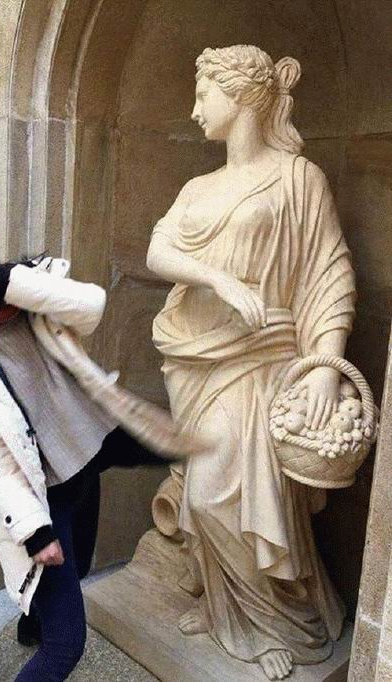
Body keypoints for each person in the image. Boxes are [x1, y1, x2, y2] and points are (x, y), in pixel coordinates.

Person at [0, 248, 205, 682]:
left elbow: (91, 305)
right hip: (48, 497)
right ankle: (39, 624)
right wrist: (36, 534)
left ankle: (31, 624)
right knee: (66, 645)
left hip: (90, 457)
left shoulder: (38, 296)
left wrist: (4, 277)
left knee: (80, 566)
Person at [146, 45, 356, 681]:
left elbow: (330, 272)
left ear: (239, 98)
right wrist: (218, 279)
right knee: (205, 494)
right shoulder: (198, 186)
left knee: (227, 497)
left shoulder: (298, 179)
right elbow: (158, 249)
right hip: (195, 358)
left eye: (202, 95)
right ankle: (222, 608)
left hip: (263, 360)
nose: (194, 110)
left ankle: (275, 623)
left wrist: (326, 366)